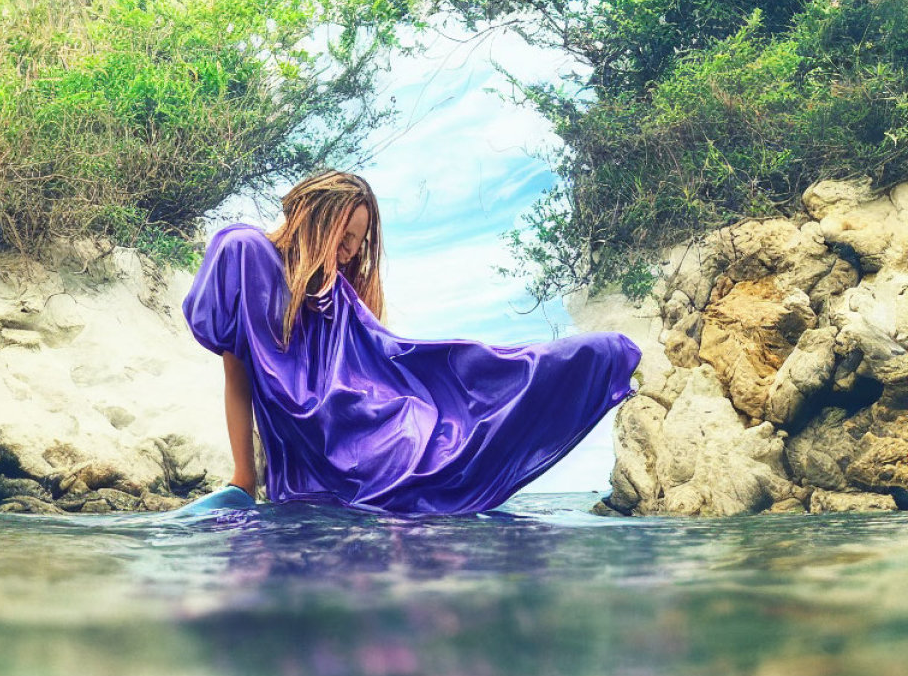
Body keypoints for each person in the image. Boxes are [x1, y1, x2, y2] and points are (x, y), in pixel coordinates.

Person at [182, 169, 641, 515]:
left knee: (482, 381)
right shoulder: (243, 251)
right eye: (345, 237)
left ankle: (597, 358)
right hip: (320, 465)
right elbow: (237, 375)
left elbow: (397, 362)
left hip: (378, 437)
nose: (351, 252)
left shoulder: (336, 296)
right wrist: (243, 479)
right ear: (314, 216)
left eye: (359, 243)